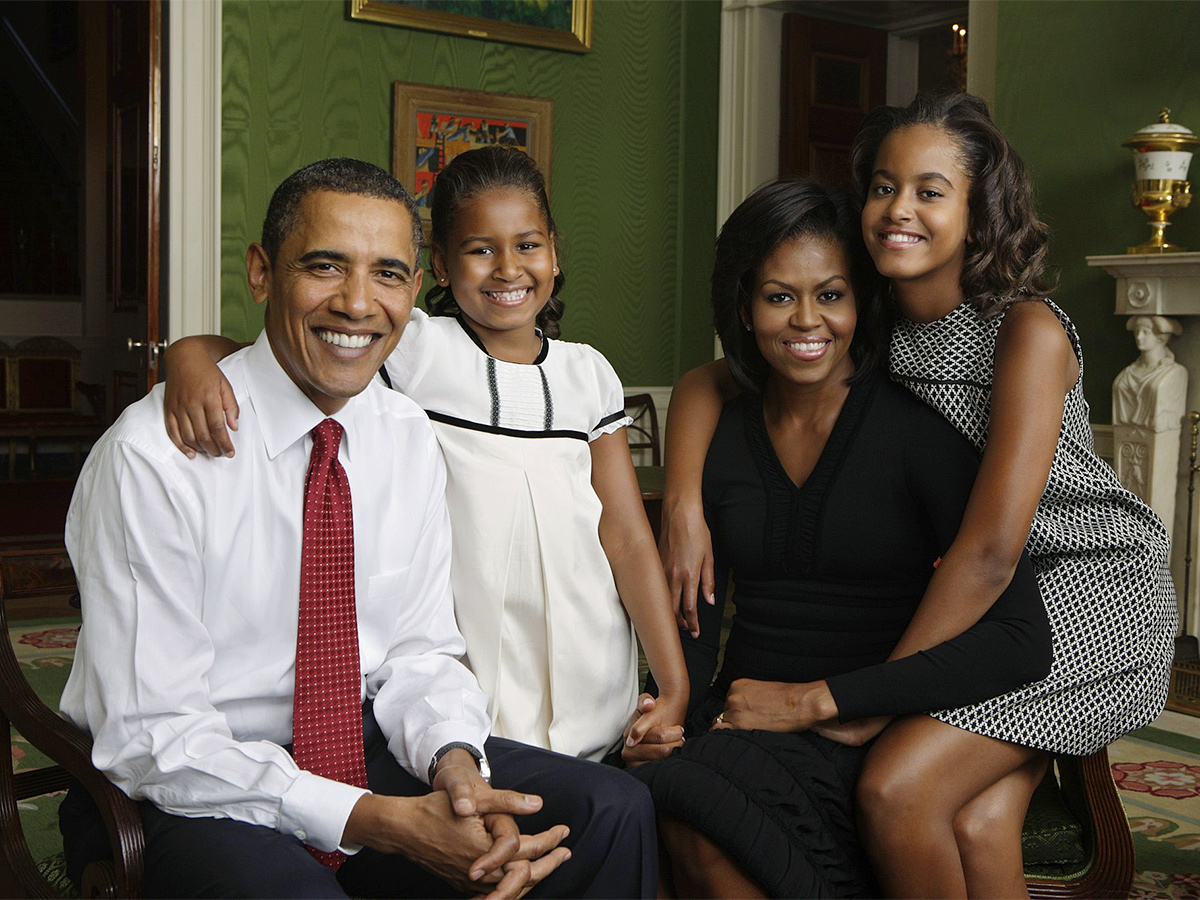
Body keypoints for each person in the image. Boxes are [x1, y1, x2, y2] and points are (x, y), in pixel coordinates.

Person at [58, 157, 656, 899]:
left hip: (357, 742)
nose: (357, 303)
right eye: (325, 266)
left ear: (414, 289)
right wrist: (382, 822)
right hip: (187, 782)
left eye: (389, 274)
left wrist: (456, 767)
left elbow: (420, 652)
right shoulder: (154, 457)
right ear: (261, 273)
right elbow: (156, 736)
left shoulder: (403, 433)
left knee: (613, 810)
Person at [658, 91, 1177, 898]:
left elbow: (991, 550)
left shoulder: (1026, 331)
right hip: (998, 596)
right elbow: (712, 379)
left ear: (980, 211)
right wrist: (685, 499)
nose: (900, 209)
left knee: (895, 785)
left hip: (1088, 592)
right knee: (979, 820)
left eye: (931, 191)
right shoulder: (876, 318)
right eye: (883, 186)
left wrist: (865, 700)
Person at [160, 146, 689, 766]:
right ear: (438, 264)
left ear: (554, 253)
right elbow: (281, 354)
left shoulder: (588, 374)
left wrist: (673, 685)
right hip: (474, 664)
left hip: (589, 649)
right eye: (480, 249)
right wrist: (186, 355)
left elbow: (625, 535)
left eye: (527, 245)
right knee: (502, 786)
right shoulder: (415, 347)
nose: (507, 269)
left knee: (603, 807)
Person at [628, 176, 1051, 899]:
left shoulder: (917, 430)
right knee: (650, 789)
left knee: (694, 806)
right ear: (743, 305)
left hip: (864, 727)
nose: (805, 322)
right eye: (777, 296)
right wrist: (673, 709)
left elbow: (1019, 637)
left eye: (830, 295)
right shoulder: (724, 434)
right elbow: (695, 617)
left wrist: (837, 700)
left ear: (861, 301)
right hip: (748, 714)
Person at [1113, 314, 1187, 432]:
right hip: (1126, 437)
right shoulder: (1127, 374)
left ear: (1160, 337)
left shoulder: (1175, 373)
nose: (1139, 336)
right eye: (1137, 331)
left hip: (1160, 438)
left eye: (1145, 332)